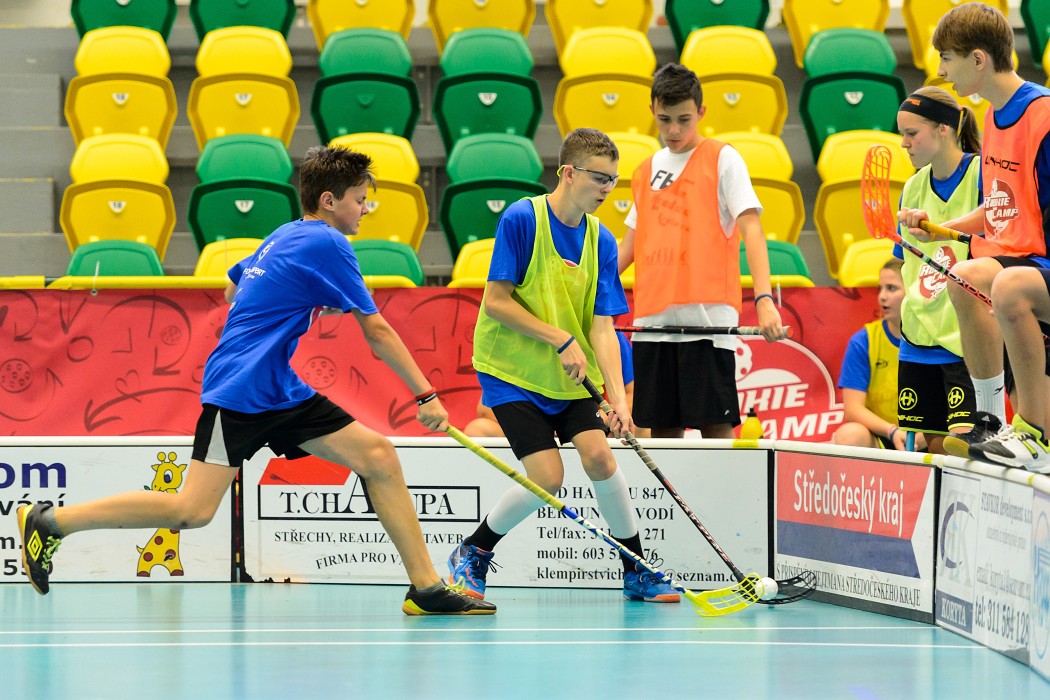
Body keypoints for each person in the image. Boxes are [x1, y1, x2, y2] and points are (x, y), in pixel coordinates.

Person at [16, 146, 495, 616]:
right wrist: (426, 394)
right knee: (193, 511)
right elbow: (377, 331)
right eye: (358, 199)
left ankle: (426, 588)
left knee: (378, 456)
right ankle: (51, 522)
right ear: (329, 201)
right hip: (242, 391)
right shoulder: (329, 242)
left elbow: (232, 288)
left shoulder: (285, 234)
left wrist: (304, 299)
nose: (365, 209)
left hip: (279, 390)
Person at [446, 128, 679, 604]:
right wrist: (558, 338)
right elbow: (495, 302)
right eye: (598, 178)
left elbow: (602, 327)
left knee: (600, 457)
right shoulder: (522, 219)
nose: (606, 189)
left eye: (612, 181)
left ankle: (634, 568)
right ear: (568, 173)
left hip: (572, 377)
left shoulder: (602, 240)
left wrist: (618, 399)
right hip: (512, 372)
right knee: (549, 477)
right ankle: (473, 551)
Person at [898, 2, 1050, 458]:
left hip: (1036, 268)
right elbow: (1002, 207)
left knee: (1007, 285)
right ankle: (991, 421)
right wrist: (943, 230)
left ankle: (1034, 432)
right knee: (964, 277)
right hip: (1027, 262)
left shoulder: (1042, 117)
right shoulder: (991, 116)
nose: (942, 71)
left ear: (979, 60)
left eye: (947, 58)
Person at [617, 62, 785, 440]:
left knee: (716, 430)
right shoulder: (645, 171)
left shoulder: (723, 158)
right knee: (663, 435)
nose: (673, 131)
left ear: (701, 112)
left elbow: (751, 228)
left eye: (683, 119)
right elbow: (628, 246)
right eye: (665, 120)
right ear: (652, 112)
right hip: (652, 327)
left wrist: (762, 298)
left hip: (708, 324)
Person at [894, 86, 982, 454]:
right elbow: (906, 262)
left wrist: (938, 231)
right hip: (917, 334)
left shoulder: (983, 173)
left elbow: (998, 231)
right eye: (902, 135)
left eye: (912, 133)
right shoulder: (912, 187)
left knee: (962, 443)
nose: (904, 144)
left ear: (944, 129)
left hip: (966, 337)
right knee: (931, 444)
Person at [832, 259, 922, 450]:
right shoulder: (863, 341)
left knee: (954, 436)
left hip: (926, 436)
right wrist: (892, 431)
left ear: (913, 292)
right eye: (880, 288)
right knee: (849, 436)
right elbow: (853, 409)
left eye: (891, 288)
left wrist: (924, 437)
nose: (882, 297)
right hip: (883, 435)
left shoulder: (936, 339)